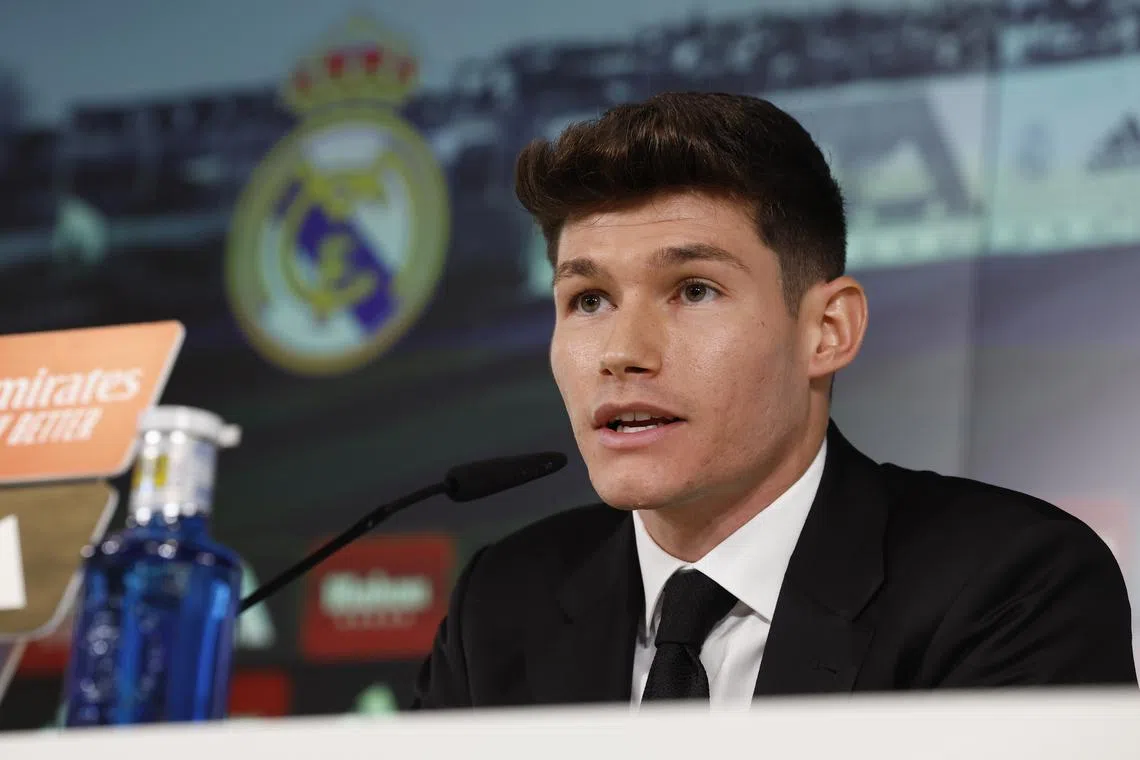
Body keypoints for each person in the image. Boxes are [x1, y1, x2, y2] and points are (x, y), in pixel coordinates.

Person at [411, 92, 1137, 709]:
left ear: (827, 330)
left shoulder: (1009, 585)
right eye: (589, 299)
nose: (620, 352)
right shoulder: (503, 604)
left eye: (694, 290)